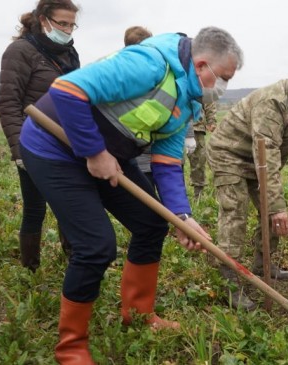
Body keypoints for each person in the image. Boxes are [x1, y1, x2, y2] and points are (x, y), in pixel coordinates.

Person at [19, 27, 243, 363]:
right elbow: (66, 90)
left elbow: (167, 162)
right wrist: (94, 152)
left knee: (152, 224)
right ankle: (71, 347)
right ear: (201, 65)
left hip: (111, 154)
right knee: (96, 245)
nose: (223, 87)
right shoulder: (149, 63)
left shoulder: (186, 97)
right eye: (223, 77)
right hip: (55, 148)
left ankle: (138, 315)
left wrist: (182, 217)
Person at [207, 68, 288, 310]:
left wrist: (275, 206)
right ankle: (230, 283)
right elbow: (266, 155)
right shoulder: (271, 104)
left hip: (259, 161)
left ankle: (262, 265)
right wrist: (277, 206)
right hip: (230, 155)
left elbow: (276, 153)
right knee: (235, 212)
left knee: (273, 214)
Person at [0, 0, 80, 271]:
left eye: (71, 24)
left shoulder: (69, 53)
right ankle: (30, 269)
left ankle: (76, 258)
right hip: (33, 143)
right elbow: (9, 102)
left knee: (68, 204)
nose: (68, 30)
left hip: (65, 143)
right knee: (35, 207)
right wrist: (19, 149)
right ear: (44, 20)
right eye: (62, 23)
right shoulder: (20, 51)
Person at [122, 25, 155, 184]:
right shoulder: (122, 73)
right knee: (146, 196)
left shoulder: (159, 69)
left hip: (162, 152)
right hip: (138, 152)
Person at [188, 101, 216, 199]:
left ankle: (198, 195)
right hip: (175, 125)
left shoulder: (200, 86)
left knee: (199, 161)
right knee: (175, 162)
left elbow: (208, 100)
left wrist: (211, 121)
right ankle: (177, 195)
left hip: (196, 126)